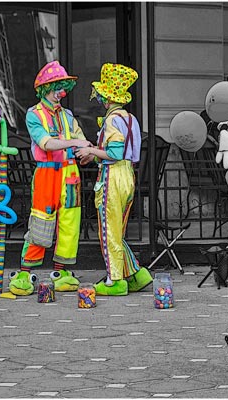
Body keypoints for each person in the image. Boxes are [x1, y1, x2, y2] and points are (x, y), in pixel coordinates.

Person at [9, 60, 93, 296]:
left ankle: (61, 272)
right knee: (41, 222)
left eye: (63, 87)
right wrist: (75, 142)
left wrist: (86, 153)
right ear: (45, 89)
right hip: (47, 173)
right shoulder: (33, 115)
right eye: (57, 87)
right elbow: (46, 143)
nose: (61, 92)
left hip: (70, 174)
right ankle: (25, 273)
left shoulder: (68, 115)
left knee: (70, 222)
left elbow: (80, 140)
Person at [75, 63, 153, 296]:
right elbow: (125, 153)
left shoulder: (111, 120)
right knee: (117, 231)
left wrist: (90, 151)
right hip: (128, 175)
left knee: (108, 232)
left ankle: (115, 281)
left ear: (107, 98)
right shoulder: (130, 118)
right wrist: (95, 155)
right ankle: (136, 275)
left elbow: (115, 153)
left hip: (113, 177)